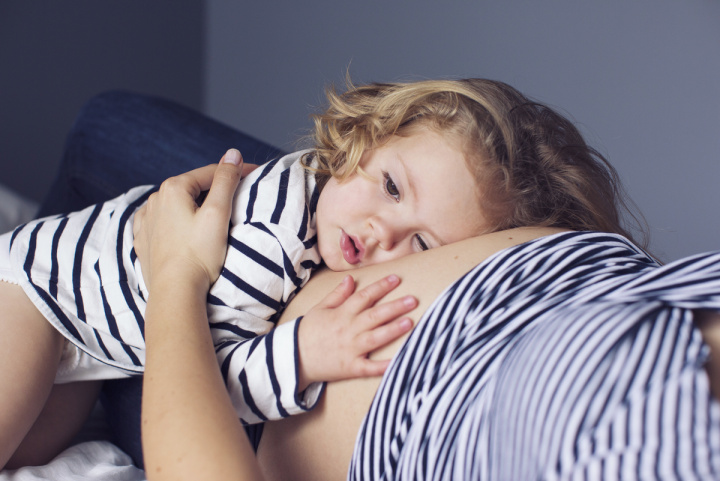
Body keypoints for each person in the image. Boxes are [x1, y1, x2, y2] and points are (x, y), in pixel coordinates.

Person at [0, 77, 633, 469]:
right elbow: (197, 372)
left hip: (99, 342)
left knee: (34, 452)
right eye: (389, 185)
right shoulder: (270, 238)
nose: (378, 231)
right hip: (43, 294)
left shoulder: (330, 198)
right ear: (365, 136)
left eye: (421, 244)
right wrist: (300, 355)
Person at [137, 157, 720, 480]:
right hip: (300, 219)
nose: (386, 235)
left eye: (422, 243)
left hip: (212, 385)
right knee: (107, 130)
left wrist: (174, 274)